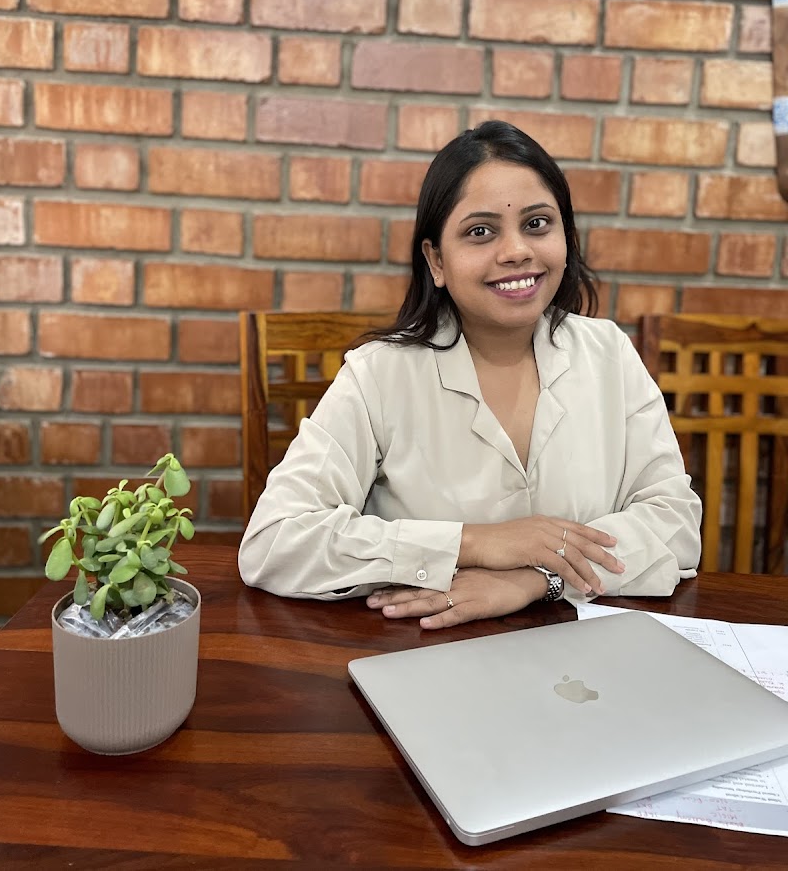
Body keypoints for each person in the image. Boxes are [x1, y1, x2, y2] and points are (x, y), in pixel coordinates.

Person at [238, 121, 702, 629]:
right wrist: (475, 543)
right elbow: (274, 541)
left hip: (583, 652)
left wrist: (536, 579)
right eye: (480, 231)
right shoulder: (379, 374)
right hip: (424, 647)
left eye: (537, 224)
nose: (516, 251)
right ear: (436, 260)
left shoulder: (609, 353)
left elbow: (674, 524)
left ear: (565, 239)